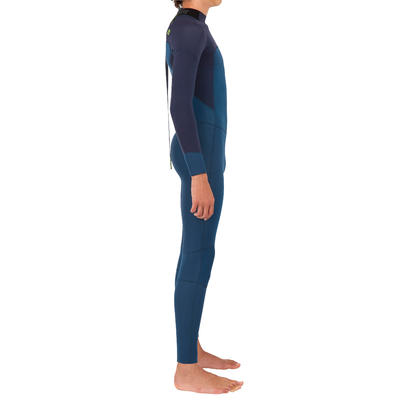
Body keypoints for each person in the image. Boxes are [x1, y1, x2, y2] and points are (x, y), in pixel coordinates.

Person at [165, 0, 243, 394]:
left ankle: (190, 347)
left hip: (203, 153)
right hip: (201, 158)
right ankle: (186, 368)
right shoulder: (189, 29)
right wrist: (199, 173)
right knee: (197, 253)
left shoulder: (190, 27)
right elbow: (180, 105)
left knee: (197, 252)